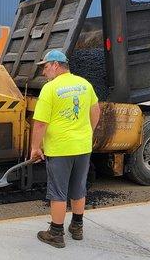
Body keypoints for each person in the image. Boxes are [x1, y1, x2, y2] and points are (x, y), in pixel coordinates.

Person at [30, 50, 100, 248]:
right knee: (79, 187)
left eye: (45, 66)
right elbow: (96, 111)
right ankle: (77, 227)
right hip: (82, 147)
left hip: (60, 148)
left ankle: (56, 233)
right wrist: (87, 133)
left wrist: (35, 148)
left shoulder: (50, 89)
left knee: (58, 192)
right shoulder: (85, 85)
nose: (43, 72)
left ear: (55, 65)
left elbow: (40, 124)